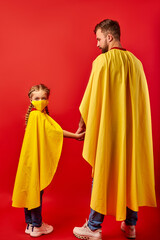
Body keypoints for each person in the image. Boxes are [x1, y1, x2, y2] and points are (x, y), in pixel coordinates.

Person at [73, 19, 157, 239]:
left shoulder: (102, 62)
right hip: (131, 132)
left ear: (109, 37)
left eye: (99, 38)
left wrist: (82, 124)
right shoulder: (136, 63)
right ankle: (130, 225)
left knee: (101, 173)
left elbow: (89, 100)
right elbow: (141, 102)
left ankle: (93, 227)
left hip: (109, 131)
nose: (97, 44)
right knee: (130, 171)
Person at [12, 83, 85, 237]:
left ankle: (30, 224)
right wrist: (76, 136)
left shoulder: (35, 116)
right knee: (35, 193)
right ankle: (37, 225)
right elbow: (57, 133)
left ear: (48, 100)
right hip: (35, 163)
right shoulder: (38, 116)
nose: (40, 100)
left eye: (43, 98)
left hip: (28, 163)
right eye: (36, 98)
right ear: (30, 100)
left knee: (29, 191)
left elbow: (54, 132)